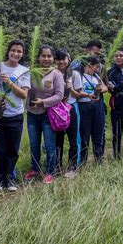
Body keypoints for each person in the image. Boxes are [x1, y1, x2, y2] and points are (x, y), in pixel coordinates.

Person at [0, 40, 30, 191]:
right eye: (13, 50)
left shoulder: (24, 70)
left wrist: (10, 83)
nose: (16, 54)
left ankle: (10, 179)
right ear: (8, 51)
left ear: (22, 54)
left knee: (13, 149)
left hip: (16, 116)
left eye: (19, 51)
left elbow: (24, 94)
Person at [24, 45, 64, 184]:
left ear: (53, 58)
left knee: (49, 144)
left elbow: (59, 95)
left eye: (49, 56)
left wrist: (43, 102)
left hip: (49, 114)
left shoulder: (56, 73)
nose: (46, 59)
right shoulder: (30, 72)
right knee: (34, 144)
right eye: (43, 56)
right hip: (32, 114)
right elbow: (25, 90)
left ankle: (50, 171)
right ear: (39, 57)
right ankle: (35, 169)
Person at [54, 49, 82, 178]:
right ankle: (57, 166)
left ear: (68, 59)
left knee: (73, 139)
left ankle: (72, 167)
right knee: (57, 140)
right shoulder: (53, 73)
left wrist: (70, 88)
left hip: (70, 108)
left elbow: (78, 95)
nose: (61, 62)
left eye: (63, 59)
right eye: (59, 59)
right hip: (57, 111)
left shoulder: (74, 74)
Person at [78, 56, 108, 164]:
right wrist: (87, 94)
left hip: (98, 107)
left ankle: (99, 159)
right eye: (96, 66)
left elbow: (106, 88)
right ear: (90, 65)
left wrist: (101, 89)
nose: (97, 69)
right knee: (84, 136)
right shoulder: (79, 76)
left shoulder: (96, 76)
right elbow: (75, 93)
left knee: (98, 134)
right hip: (84, 108)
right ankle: (82, 161)